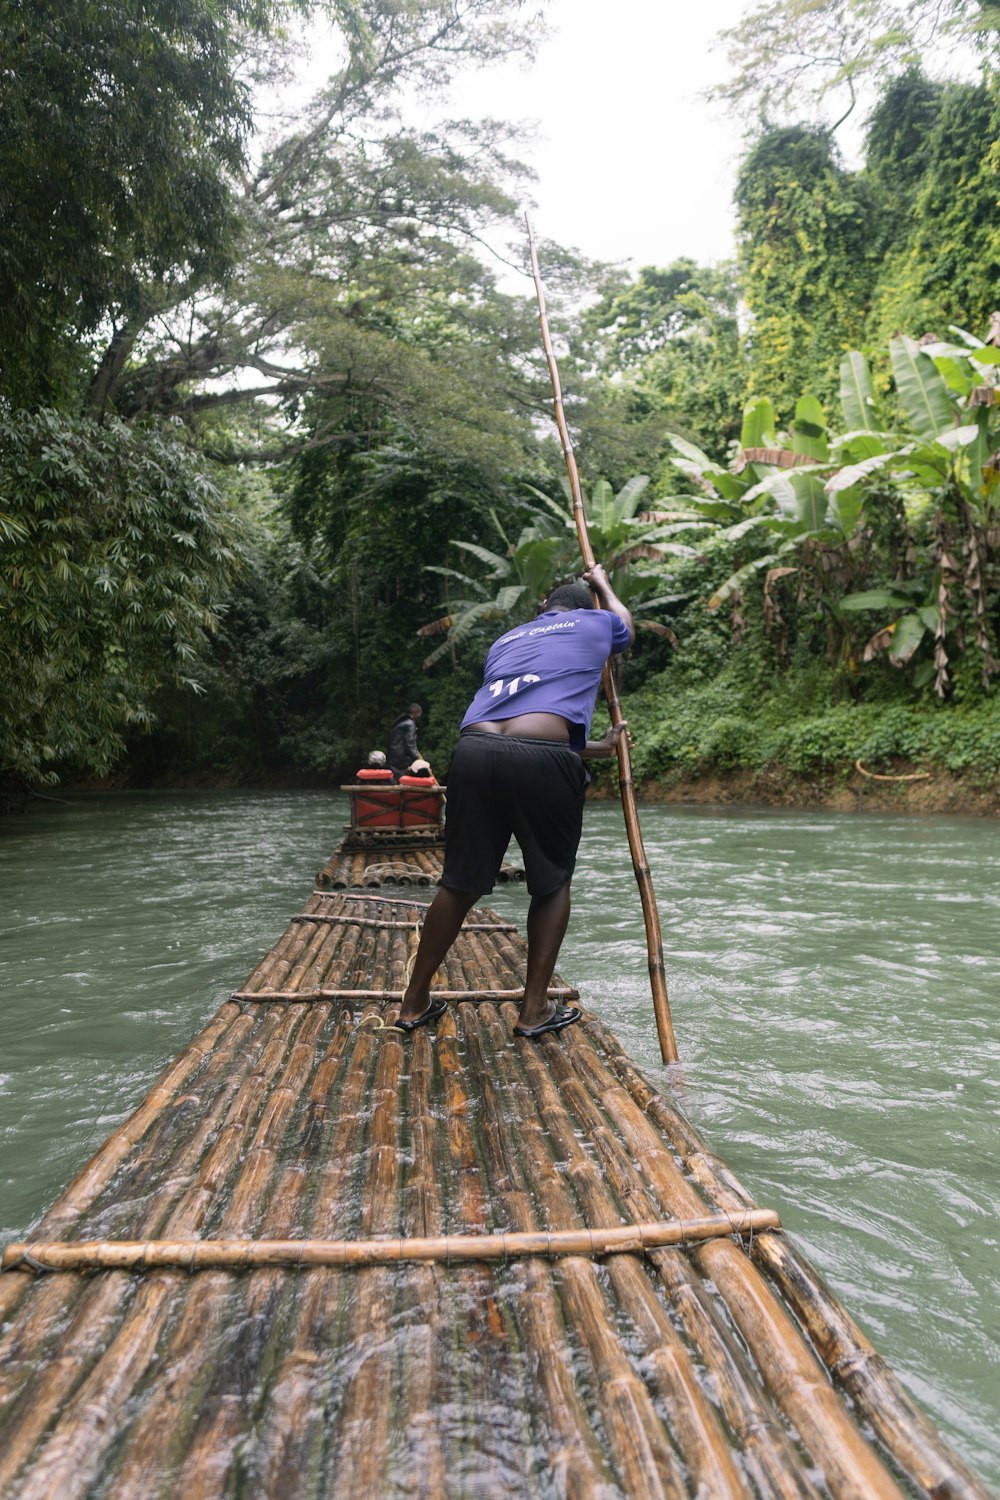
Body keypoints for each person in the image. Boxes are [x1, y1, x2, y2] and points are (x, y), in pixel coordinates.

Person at [396, 563, 632, 1040]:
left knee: (459, 883)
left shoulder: (506, 640)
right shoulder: (596, 620)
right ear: (586, 608)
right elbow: (627, 626)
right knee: (550, 881)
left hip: (474, 752)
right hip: (542, 759)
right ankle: (533, 1009)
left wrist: (596, 747)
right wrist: (603, 584)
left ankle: (413, 1002)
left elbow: (516, 723)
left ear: (543, 608)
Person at [387, 703, 424, 779]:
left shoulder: (399, 722)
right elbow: (410, 744)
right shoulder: (410, 724)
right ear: (416, 712)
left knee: (396, 779)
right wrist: (417, 758)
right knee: (404, 778)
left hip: (393, 757)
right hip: (402, 759)